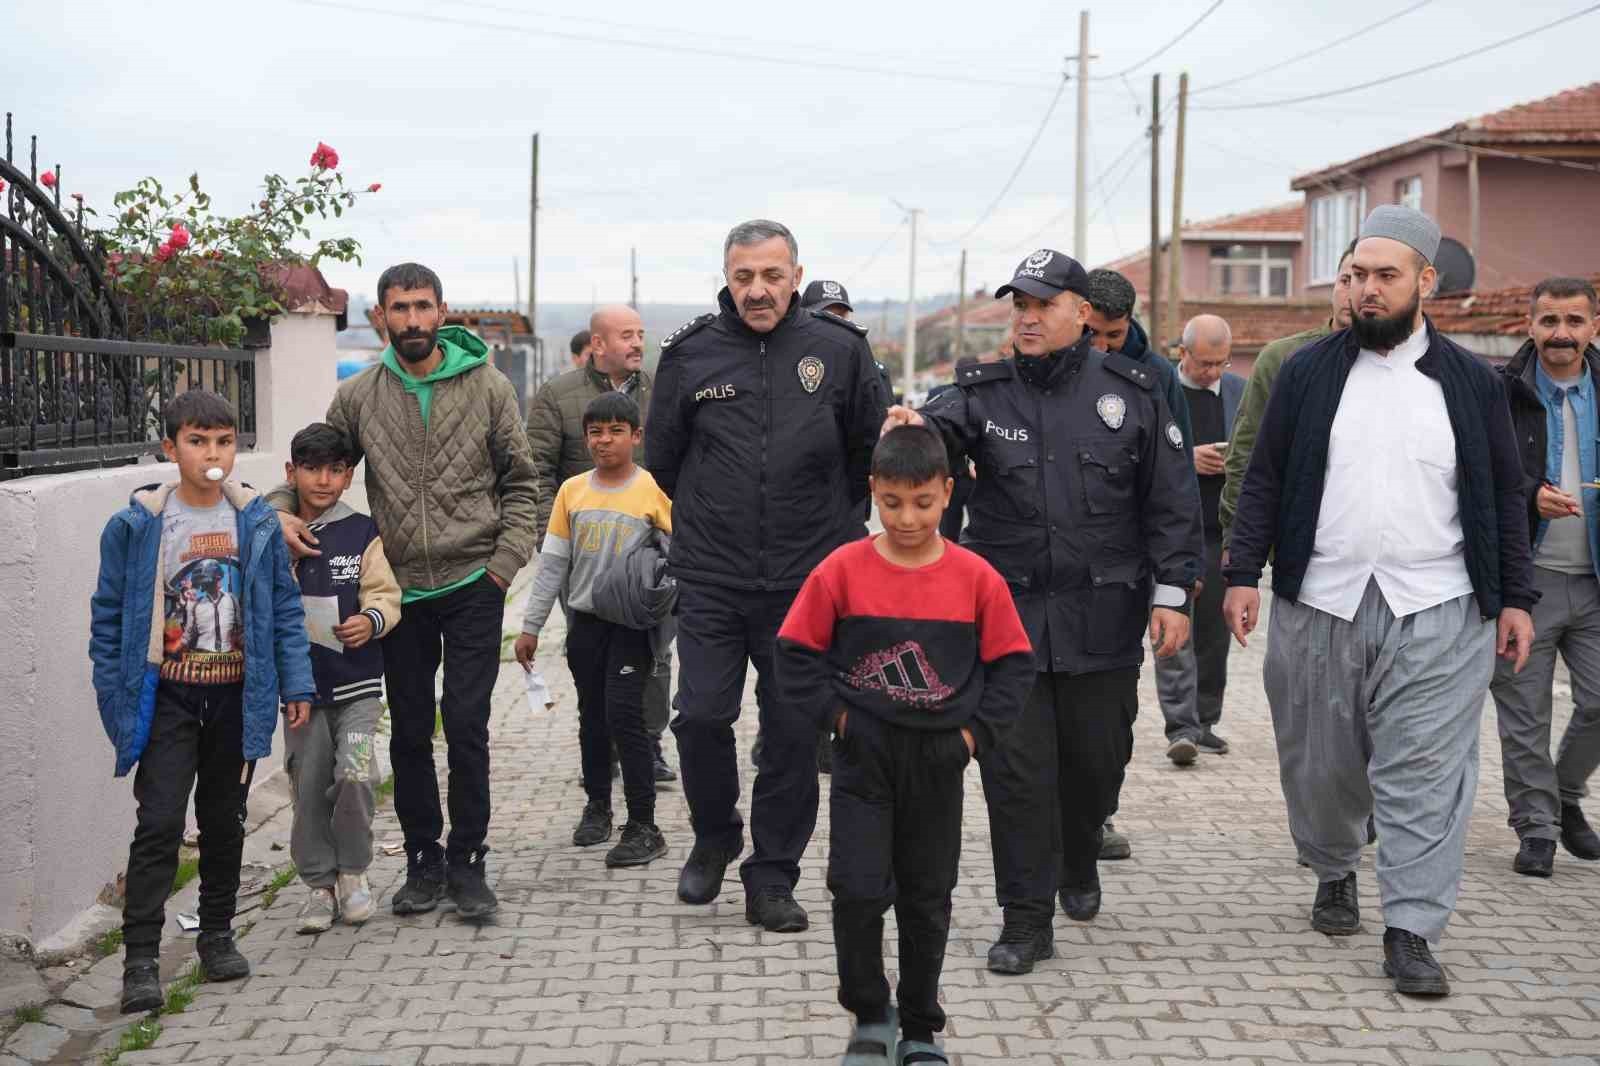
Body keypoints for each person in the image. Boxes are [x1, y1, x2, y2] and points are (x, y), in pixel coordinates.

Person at [1224, 205, 1537, 997]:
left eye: (1384, 276)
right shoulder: (1306, 371)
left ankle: (1412, 928)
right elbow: (1262, 478)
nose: (1366, 290)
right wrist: (1239, 574)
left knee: (1426, 772)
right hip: (1320, 598)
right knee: (1321, 768)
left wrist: (1517, 598)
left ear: (1425, 283)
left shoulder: (1472, 382)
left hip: (1440, 603)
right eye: (1354, 275)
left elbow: (1504, 492)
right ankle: (1334, 865)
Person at [887, 248, 1202, 976]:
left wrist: (1175, 595)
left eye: (1041, 305)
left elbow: (1171, 500)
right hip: (1008, 620)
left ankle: (1081, 851)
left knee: (1097, 762)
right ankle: (1025, 920)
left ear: (1081, 312)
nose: (1026, 318)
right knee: (1015, 774)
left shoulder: (1134, 390)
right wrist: (913, 429)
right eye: (1018, 306)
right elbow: (939, 430)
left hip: (1104, 617)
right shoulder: (981, 390)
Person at [270, 262, 539, 923]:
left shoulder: (489, 389)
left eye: (424, 306)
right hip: (399, 595)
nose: (413, 319)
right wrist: (276, 509)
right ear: (380, 317)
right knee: (411, 732)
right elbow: (319, 465)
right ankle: (423, 861)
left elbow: (524, 484)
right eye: (400, 308)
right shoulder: (360, 395)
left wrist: (504, 565)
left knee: (469, 724)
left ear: (443, 311)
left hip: (476, 580)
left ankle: (469, 862)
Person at [645, 219, 887, 932]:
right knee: (701, 717)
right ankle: (716, 833)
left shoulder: (839, 352)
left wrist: (829, 530)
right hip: (714, 576)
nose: (757, 290)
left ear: (795, 275)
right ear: (727, 275)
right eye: (744, 276)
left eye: (772, 276)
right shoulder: (690, 355)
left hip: (807, 582)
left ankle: (772, 875)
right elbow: (663, 459)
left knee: (791, 731)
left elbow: (867, 450)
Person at [775, 425, 1034, 1066]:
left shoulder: (977, 579)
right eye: (892, 503)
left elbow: (1013, 668)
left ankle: (920, 1029)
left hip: (939, 763)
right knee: (857, 890)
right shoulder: (840, 570)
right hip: (863, 758)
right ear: (872, 494)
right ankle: (870, 1014)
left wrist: (972, 739)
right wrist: (840, 721)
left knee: (926, 898)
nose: (907, 517)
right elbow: (794, 656)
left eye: (922, 501)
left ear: (949, 492)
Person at [91, 391, 314, 1013]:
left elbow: (283, 610)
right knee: (159, 821)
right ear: (171, 448)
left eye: (222, 442)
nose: (211, 454)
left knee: (224, 820)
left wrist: (294, 683)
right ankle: (140, 960)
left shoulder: (257, 523)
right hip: (168, 698)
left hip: (237, 696)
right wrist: (115, 694)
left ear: (235, 447)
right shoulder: (139, 526)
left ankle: (217, 934)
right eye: (197, 441)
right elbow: (109, 616)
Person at [515, 393, 674, 868]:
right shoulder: (572, 491)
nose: (605, 441)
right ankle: (598, 806)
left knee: (628, 719)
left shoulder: (652, 493)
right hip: (584, 624)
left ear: (636, 436)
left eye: (616, 431)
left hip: (630, 628)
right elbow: (552, 565)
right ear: (585, 438)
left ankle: (644, 824)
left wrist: (665, 626)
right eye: (595, 432)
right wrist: (529, 626)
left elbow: (675, 564)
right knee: (593, 718)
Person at [527, 305, 676, 783]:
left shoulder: (661, 392)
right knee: (593, 660)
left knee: (655, 655)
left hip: (647, 563)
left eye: (640, 334)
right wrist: (550, 538)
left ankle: (647, 743)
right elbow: (536, 474)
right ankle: (604, 748)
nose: (637, 344)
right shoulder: (558, 396)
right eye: (626, 336)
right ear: (597, 345)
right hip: (585, 559)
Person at [1080, 266, 1193, 859]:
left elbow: (1173, 485)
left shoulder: (1156, 380)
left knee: (1112, 709)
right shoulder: (1046, 363)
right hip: (1061, 567)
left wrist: (1174, 583)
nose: (1101, 348)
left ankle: (1098, 813)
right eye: (1091, 334)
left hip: (1127, 569)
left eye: (1114, 335)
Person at [1492, 276, 1600, 876]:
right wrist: (1532, 496)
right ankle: (1536, 829)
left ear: (1594, 327)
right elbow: (1477, 475)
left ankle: (1563, 794)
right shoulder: (1500, 392)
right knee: (1524, 713)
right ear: (1529, 326)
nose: (1562, 333)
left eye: (1575, 321)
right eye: (1550, 320)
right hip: (1524, 581)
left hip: (1594, 581)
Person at [280, 423, 402, 933]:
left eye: (334, 470)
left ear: (349, 475)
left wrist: (370, 620)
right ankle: (317, 885)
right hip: (301, 693)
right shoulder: (275, 531)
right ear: (292, 472)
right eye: (311, 469)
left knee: (355, 776)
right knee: (308, 785)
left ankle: (353, 873)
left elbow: (385, 594)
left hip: (357, 689)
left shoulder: (362, 532)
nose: (323, 480)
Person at [1219, 241, 1357, 549]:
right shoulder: (1285, 358)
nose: (1352, 293)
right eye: (1346, 280)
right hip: (1298, 551)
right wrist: (1237, 544)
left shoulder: (1406, 364)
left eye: (1363, 281)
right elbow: (1245, 454)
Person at [1155, 315, 1246, 764]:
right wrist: (1184, 459)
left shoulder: (1239, 393)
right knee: (1173, 629)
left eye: (1221, 363)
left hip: (1219, 533)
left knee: (1215, 633)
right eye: (1205, 362)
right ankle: (1180, 727)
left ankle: (1205, 720)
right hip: (1173, 534)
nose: (1213, 371)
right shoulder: (1159, 393)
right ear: (1183, 353)